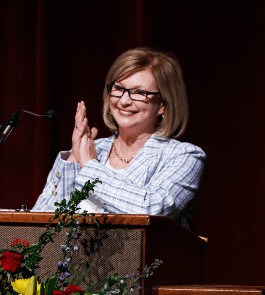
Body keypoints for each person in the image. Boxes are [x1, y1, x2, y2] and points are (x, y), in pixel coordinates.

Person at [32, 48, 206, 230]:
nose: (123, 101)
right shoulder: (90, 150)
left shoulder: (184, 156)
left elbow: (151, 210)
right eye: (118, 89)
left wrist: (89, 166)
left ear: (163, 104)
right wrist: (74, 160)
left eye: (139, 92)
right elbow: (39, 226)